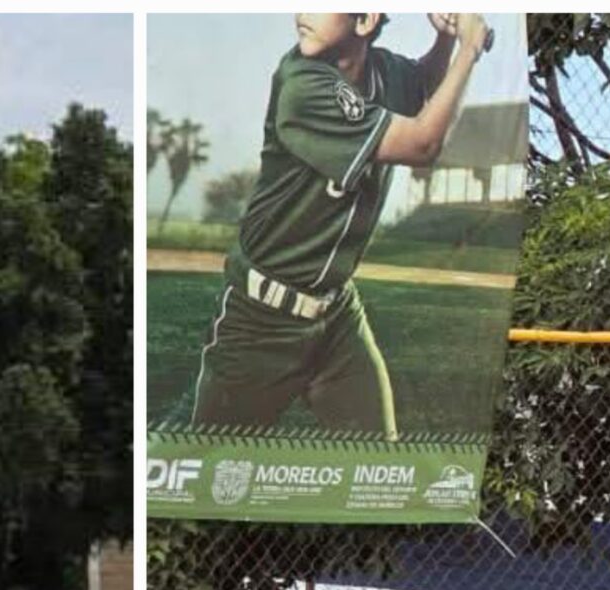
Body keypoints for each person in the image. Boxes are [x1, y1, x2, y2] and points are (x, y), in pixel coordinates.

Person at [186, 13, 492, 435]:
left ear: (365, 20)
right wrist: (469, 50)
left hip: (337, 317)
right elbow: (423, 143)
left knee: (376, 472)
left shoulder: (382, 71)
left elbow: (424, 85)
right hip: (260, 320)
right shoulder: (301, 83)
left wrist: (444, 40)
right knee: (199, 480)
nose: (300, 12)